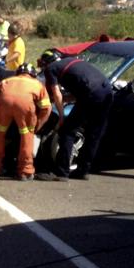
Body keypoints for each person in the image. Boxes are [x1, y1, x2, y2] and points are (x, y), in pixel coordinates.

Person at [37, 49, 114, 181]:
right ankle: (83, 171)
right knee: (93, 134)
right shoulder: (72, 61)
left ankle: (61, 173)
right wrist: (63, 99)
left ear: (46, 63)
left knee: (67, 131)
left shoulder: (51, 69)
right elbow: (75, 93)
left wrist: (61, 116)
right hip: (107, 92)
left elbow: (57, 93)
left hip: (91, 93)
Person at [0, 66, 52, 180]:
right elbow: (46, 108)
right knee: (26, 137)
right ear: (33, 74)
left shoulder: (6, 81)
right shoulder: (37, 84)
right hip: (25, 107)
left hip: (4, 105)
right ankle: (25, 172)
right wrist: (37, 125)